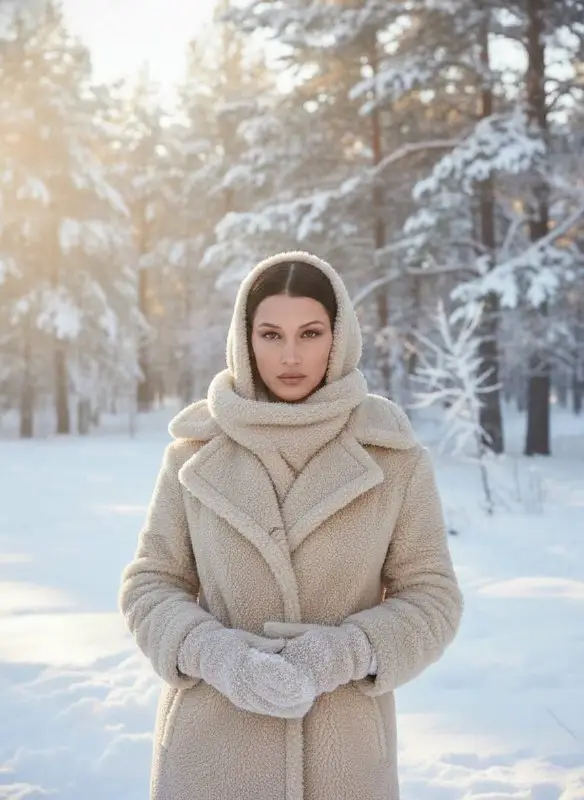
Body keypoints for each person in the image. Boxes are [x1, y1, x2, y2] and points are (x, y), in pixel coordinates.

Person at [119, 251, 463, 800]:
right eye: (270, 335)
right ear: (244, 339)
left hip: (343, 758)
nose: (291, 356)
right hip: (209, 753)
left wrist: (345, 653)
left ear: (339, 335)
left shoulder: (393, 456)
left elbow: (432, 598)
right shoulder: (193, 453)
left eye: (310, 332)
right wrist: (218, 657)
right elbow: (150, 585)